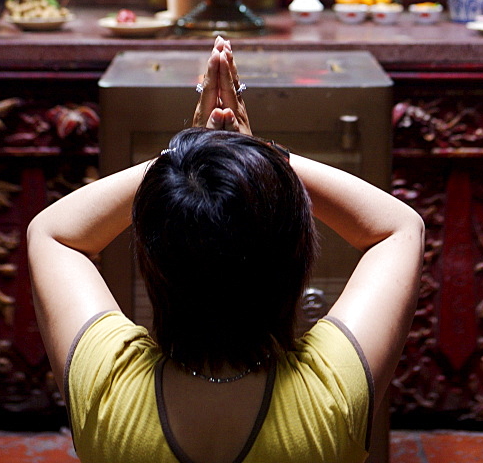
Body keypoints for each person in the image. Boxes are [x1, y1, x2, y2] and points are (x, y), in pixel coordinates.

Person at [28, 37, 424, 463]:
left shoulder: (107, 391)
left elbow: (51, 232)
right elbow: (399, 228)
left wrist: (182, 161)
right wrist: (258, 156)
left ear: (154, 266)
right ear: (293, 259)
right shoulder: (330, 397)